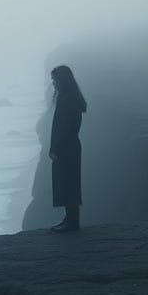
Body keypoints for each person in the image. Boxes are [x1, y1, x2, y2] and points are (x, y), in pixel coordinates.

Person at [48, 65, 86, 232]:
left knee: (69, 183)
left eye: (55, 80)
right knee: (67, 183)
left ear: (62, 80)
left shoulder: (68, 99)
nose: (53, 83)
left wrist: (56, 148)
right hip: (68, 145)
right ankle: (69, 218)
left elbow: (66, 127)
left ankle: (72, 222)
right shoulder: (68, 97)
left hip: (67, 147)